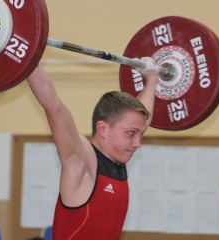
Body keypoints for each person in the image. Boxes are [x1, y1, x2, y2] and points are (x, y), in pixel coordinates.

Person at [27, 57, 159, 240]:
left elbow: (142, 121)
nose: (137, 143)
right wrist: (27, 59)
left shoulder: (116, 161)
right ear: (103, 129)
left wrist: (152, 79)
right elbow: (54, 107)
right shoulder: (82, 161)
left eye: (140, 134)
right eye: (131, 134)